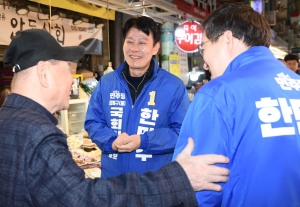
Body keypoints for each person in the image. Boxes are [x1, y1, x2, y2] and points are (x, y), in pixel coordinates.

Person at [0, 29, 230, 206]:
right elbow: (88, 200)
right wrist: (179, 177)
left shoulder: (7, 120)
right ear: (43, 74)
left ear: (155, 47)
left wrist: (144, 140)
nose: (72, 80)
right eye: (67, 69)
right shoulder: (40, 135)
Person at [173, 3, 300, 207]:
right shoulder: (296, 85)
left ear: (227, 40)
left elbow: (199, 187)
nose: (204, 63)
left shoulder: (218, 94)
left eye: (204, 47)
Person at [84, 16, 190, 178]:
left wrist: (143, 141)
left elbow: (181, 132)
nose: (134, 49)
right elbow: (93, 121)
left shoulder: (173, 86)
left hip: (155, 182)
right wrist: (111, 140)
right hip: (113, 180)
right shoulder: (106, 83)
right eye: (129, 41)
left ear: (155, 47)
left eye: (142, 43)